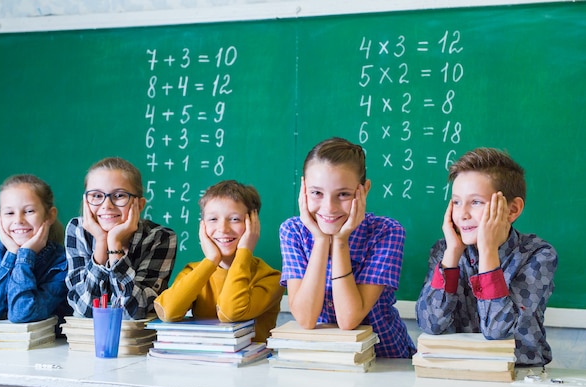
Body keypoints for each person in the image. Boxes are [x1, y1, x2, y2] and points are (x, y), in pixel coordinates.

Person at [415, 147, 557, 366]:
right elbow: (430, 324)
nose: (462, 214)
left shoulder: (538, 255)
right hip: (460, 372)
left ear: (512, 209)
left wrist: (488, 252)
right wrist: (452, 254)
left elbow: (498, 331)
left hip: (520, 373)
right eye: (456, 202)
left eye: (476, 202)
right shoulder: (445, 251)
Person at [279, 137, 415, 358]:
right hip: (325, 356)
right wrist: (321, 240)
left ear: (364, 189)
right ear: (303, 189)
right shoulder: (293, 231)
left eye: (343, 194)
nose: (329, 207)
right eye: (316, 193)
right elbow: (305, 318)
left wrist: (340, 242)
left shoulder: (386, 232)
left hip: (384, 359)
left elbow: (349, 319)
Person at [154, 180, 284, 343]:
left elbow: (231, 312)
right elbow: (168, 311)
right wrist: (211, 261)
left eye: (235, 219)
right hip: (202, 362)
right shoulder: (195, 272)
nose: (223, 228)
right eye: (213, 219)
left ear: (253, 223)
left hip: (251, 367)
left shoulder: (271, 278)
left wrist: (244, 251)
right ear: (202, 226)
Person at [65, 157, 177, 320]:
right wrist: (102, 243)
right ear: (86, 201)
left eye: (119, 195)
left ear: (139, 204)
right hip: (87, 341)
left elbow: (133, 311)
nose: (107, 205)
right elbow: (86, 308)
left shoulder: (160, 238)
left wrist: (114, 246)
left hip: (136, 341)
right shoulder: (77, 230)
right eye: (96, 196)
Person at [0, 174, 71, 324]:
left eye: (29, 211)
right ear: (0, 218)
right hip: (5, 346)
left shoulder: (62, 263)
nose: (18, 220)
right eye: (9, 213)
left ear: (50, 216)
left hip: (50, 347)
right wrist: (12, 254)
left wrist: (24, 257)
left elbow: (23, 313)